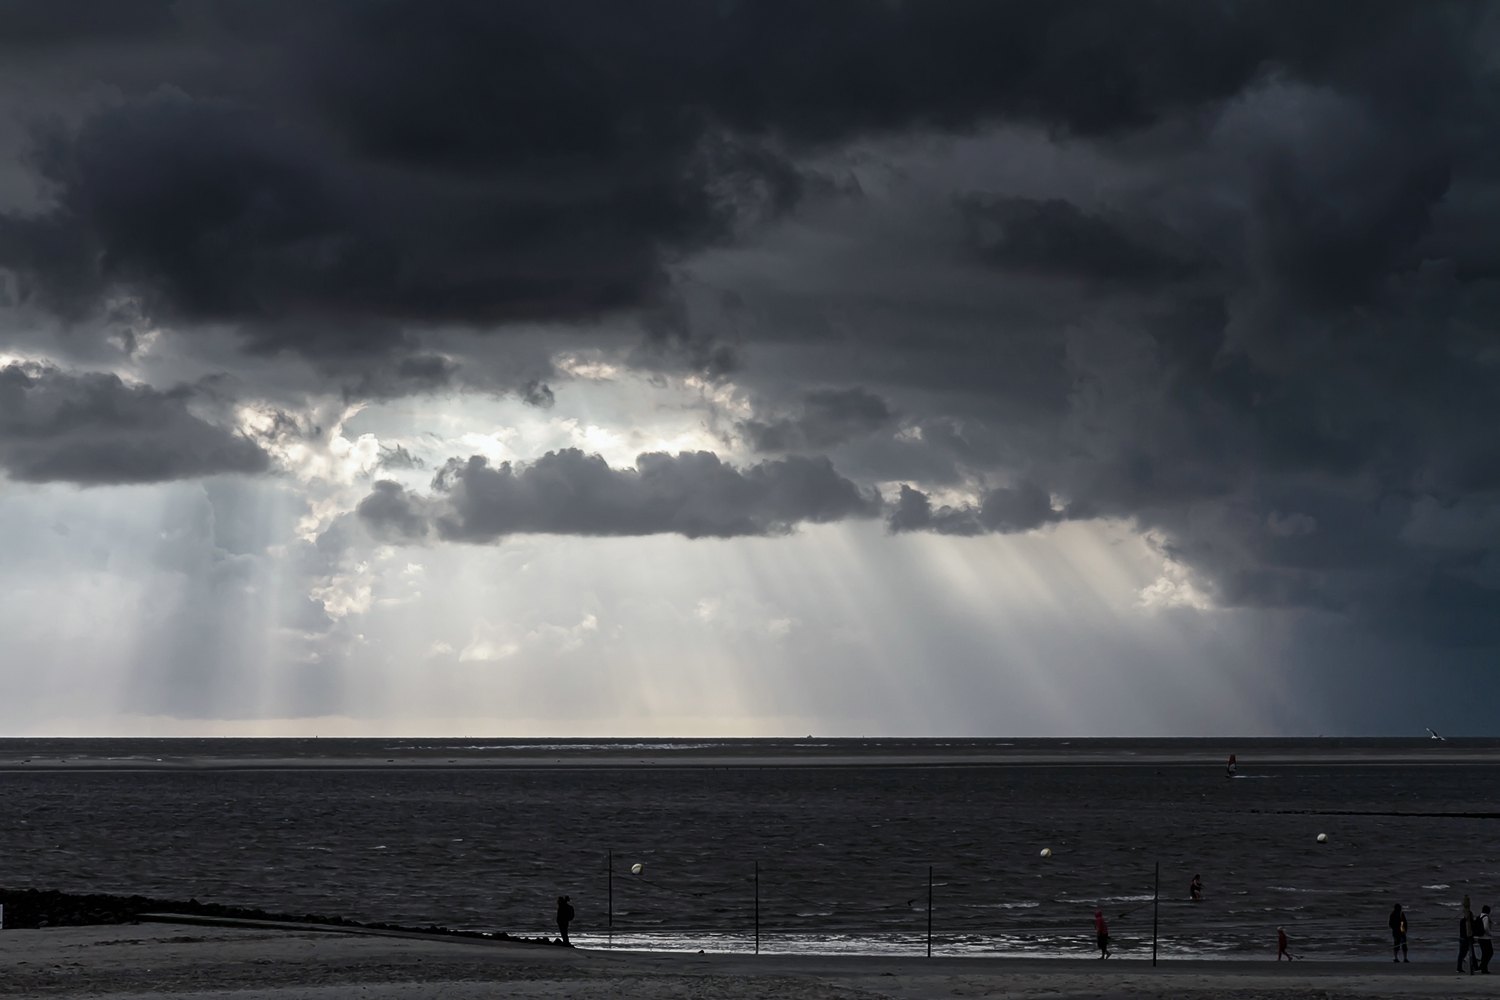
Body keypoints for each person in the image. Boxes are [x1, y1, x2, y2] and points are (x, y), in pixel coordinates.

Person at [1460, 897, 1475, 973]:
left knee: (1463, 953)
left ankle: (1474, 965)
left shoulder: (1464, 921)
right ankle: (1460, 967)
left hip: (1463, 937)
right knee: (1464, 953)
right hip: (1466, 938)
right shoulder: (1466, 921)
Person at [1478, 905, 1493, 974]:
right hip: (1485, 938)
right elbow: (1486, 927)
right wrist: (1490, 933)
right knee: (1489, 953)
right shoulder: (1486, 917)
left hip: (1480, 937)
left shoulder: (1480, 916)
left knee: (1484, 953)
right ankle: (1483, 966)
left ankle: (1483, 966)